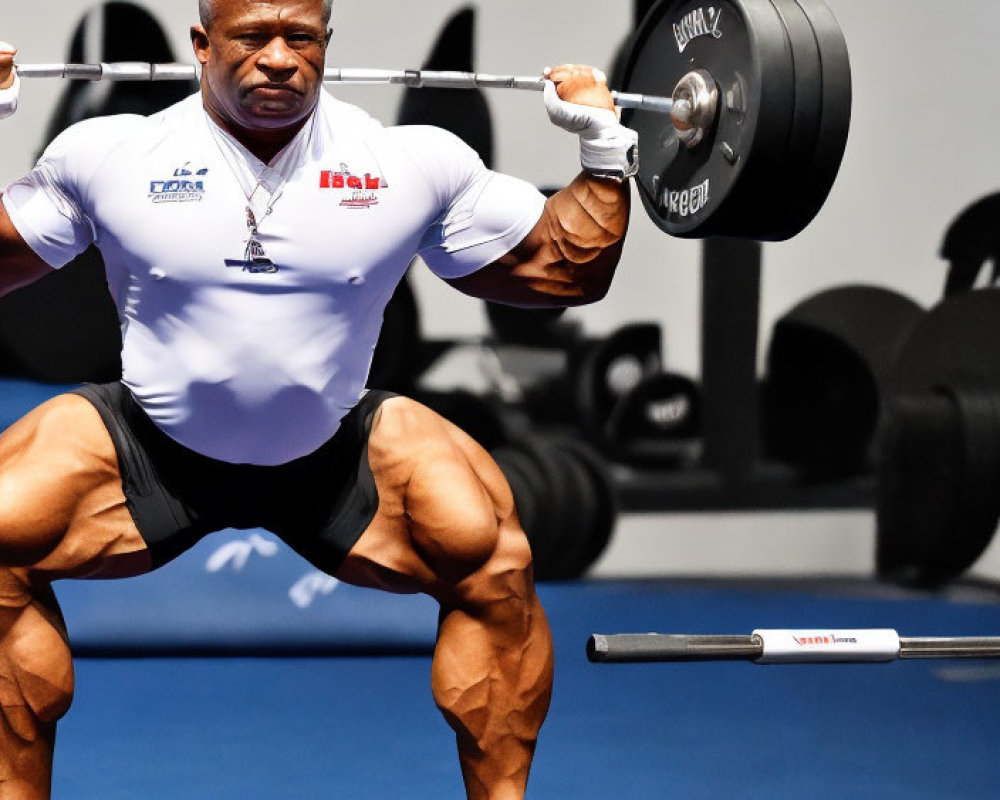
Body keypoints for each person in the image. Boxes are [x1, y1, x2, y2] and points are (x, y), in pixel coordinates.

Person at [0, 0, 635, 797]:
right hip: (150, 445)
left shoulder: (404, 161)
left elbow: (563, 272)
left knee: (490, 551)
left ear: (326, 44)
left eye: (300, 37)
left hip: (331, 449)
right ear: (202, 44)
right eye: (251, 37)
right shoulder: (113, 153)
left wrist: (604, 151)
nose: (277, 57)